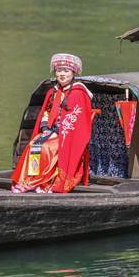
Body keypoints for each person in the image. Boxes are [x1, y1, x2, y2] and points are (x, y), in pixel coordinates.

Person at [11, 54, 93, 193]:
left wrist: (58, 131)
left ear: (73, 73)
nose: (62, 74)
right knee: (34, 144)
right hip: (52, 131)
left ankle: (47, 183)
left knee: (46, 148)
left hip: (68, 134)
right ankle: (30, 181)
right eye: (59, 70)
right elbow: (47, 112)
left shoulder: (79, 92)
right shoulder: (53, 92)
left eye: (66, 71)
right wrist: (45, 127)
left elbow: (77, 121)